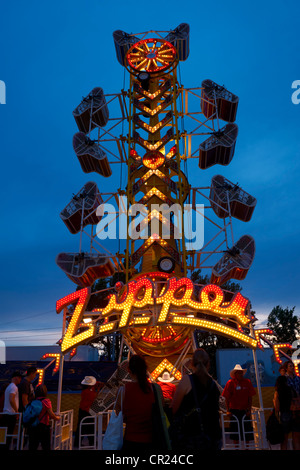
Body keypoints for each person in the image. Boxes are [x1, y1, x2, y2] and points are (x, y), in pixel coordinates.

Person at [170, 348, 222, 451]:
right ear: (208, 364)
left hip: (191, 436)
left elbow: (173, 409)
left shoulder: (186, 381)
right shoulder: (213, 384)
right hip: (212, 436)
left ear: (192, 364)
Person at [120, 355, 155, 451]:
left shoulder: (123, 390)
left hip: (130, 440)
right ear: (145, 369)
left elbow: (119, 415)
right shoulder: (155, 389)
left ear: (129, 370)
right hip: (151, 440)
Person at [222, 364, 256, 446]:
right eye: (239, 373)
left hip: (244, 410)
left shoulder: (247, 382)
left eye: (242, 373)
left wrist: (249, 409)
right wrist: (228, 411)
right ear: (235, 374)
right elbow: (226, 398)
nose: (241, 374)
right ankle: (236, 447)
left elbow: (250, 397)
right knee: (235, 432)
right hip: (234, 411)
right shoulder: (230, 383)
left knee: (247, 431)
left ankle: (247, 447)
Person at [27, 384, 60, 451]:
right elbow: (51, 414)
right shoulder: (46, 401)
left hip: (32, 426)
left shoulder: (32, 401)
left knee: (33, 446)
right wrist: (57, 418)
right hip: (43, 426)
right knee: (46, 445)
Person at [74, 376, 102, 448]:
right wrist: (98, 389)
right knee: (84, 427)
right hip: (85, 411)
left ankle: (89, 442)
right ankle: (87, 442)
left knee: (87, 427)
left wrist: (101, 384)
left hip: (86, 410)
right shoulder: (86, 392)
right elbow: (95, 398)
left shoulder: (89, 388)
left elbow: (98, 384)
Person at [1, 371, 23, 450]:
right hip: (10, 415)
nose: (20, 380)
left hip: (5, 414)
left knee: (4, 438)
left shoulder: (8, 387)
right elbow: (11, 398)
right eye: (20, 378)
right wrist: (16, 411)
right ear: (15, 378)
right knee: (8, 437)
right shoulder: (14, 387)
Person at [283, 360, 300, 450]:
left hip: (297, 408)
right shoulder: (284, 379)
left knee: (296, 433)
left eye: (292, 366)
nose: (292, 368)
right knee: (285, 435)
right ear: (286, 368)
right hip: (288, 409)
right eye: (290, 366)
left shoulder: (297, 378)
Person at [273, 374, 293, 449]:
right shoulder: (289, 390)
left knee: (284, 438)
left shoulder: (278, 392)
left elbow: (277, 407)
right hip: (292, 412)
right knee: (294, 435)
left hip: (283, 413)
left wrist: (274, 401)